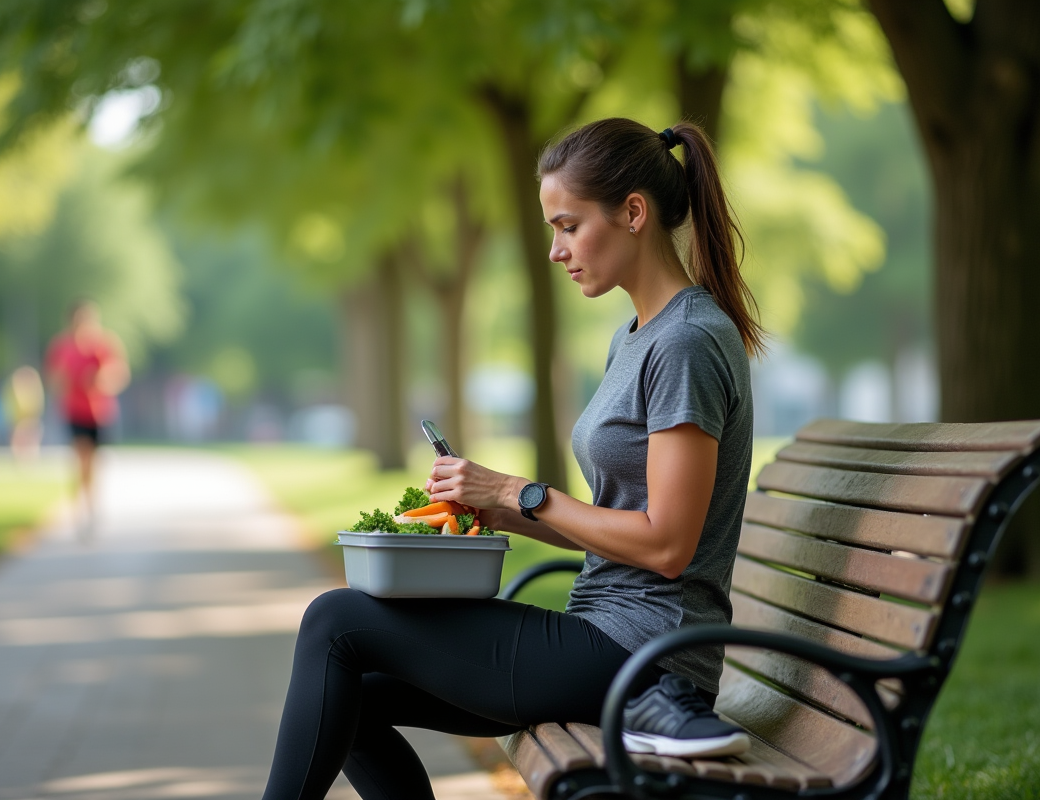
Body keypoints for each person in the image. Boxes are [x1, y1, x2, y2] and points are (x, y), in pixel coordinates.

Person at [260, 119, 768, 800]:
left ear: (634, 213)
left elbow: (669, 546)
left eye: (567, 225)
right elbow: (618, 525)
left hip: (645, 655)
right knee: (349, 693)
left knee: (333, 621)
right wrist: (498, 506)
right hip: (605, 631)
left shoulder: (686, 343)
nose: (556, 250)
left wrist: (520, 491)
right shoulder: (637, 337)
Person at [44, 300, 129, 534]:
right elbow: (55, 380)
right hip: (75, 411)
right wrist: (67, 380)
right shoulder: (63, 347)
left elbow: (119, 374)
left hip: (100, 413)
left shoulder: (104, 344)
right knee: (81, 461)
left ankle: (92, 506)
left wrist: (100, 379)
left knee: (94, 464)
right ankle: (81, 510)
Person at [4, 365, 45, 462]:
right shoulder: (16, 387)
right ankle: (19, 457)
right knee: (19, 438)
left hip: (30, 417)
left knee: (31, 438)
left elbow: (37, 402)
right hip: (19, 418)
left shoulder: (33, 387)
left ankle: (30, 457)